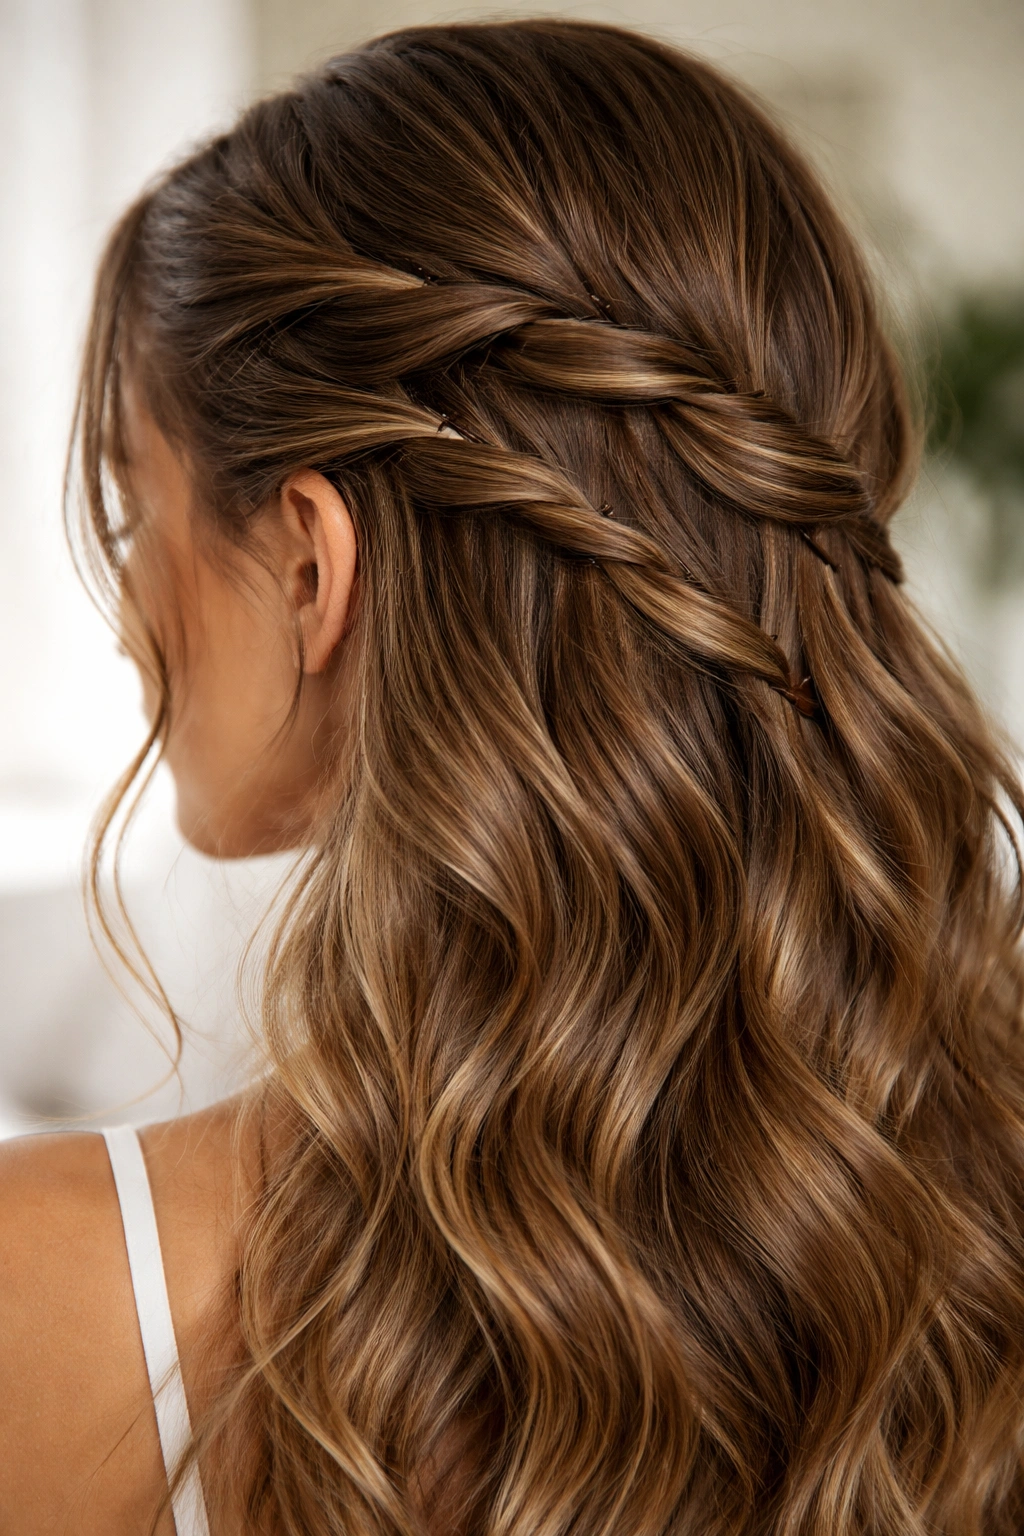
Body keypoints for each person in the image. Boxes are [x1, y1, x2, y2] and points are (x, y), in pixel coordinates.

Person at [3, 18, 1024, 1535]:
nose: (131, 593)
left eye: (129, 501)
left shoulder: (63, 1306)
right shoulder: (972, 1224)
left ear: (308, 562)